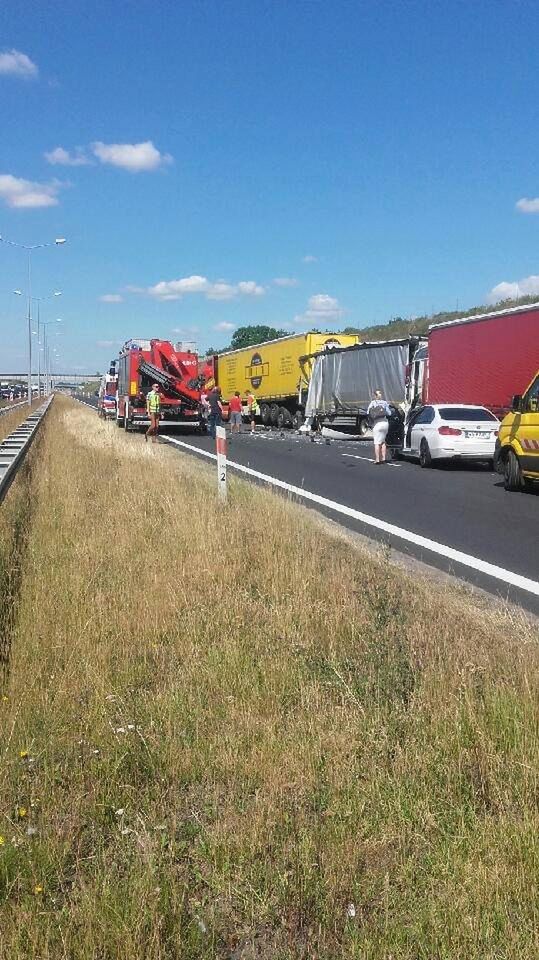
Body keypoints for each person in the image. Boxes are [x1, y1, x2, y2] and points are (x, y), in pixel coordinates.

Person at [367, 389, 392, 464]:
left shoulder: (373, 403)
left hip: (377, 424)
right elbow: (389, 413)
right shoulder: (384, 403)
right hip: (385, 423)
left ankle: (377, 459)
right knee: (383, 441)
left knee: (377, 442)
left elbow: (368, 412)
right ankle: (384, 458)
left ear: (374, 396)